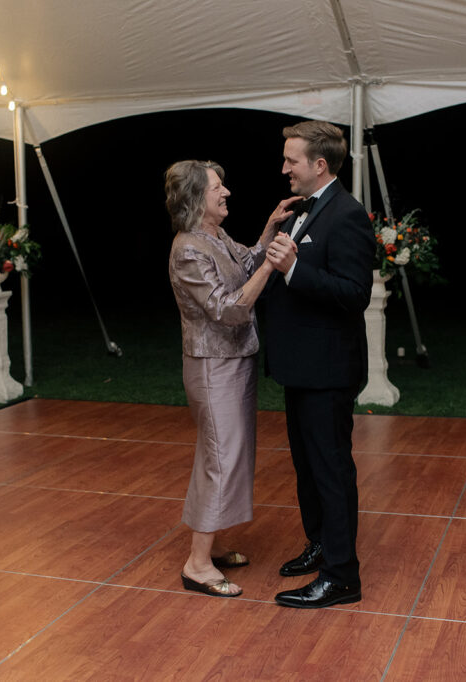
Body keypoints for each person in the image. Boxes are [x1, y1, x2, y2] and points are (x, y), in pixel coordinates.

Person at [165, 159, 299, 598]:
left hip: (234, 362)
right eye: (217, 188)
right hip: (212, 368)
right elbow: (228, 310)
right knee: (220, 459)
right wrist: (273, 265)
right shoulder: (188, 249)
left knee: (227, 456)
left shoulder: (213, 236)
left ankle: (213, 543)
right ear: (195, 199)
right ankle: (197, 565)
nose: (226, 193)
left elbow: (242, 262)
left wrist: (266, 233)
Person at [261, 120, 375, 608]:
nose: (284, 167)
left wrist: (293, 268)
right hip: (300, 365)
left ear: (319, 164)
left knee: (330, 469)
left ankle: (342, 576)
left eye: (292, 160)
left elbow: (354, 294)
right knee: (307, 467)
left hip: (328, 369)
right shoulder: (303, 209)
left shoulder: (347, 215)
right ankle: (321, 544)